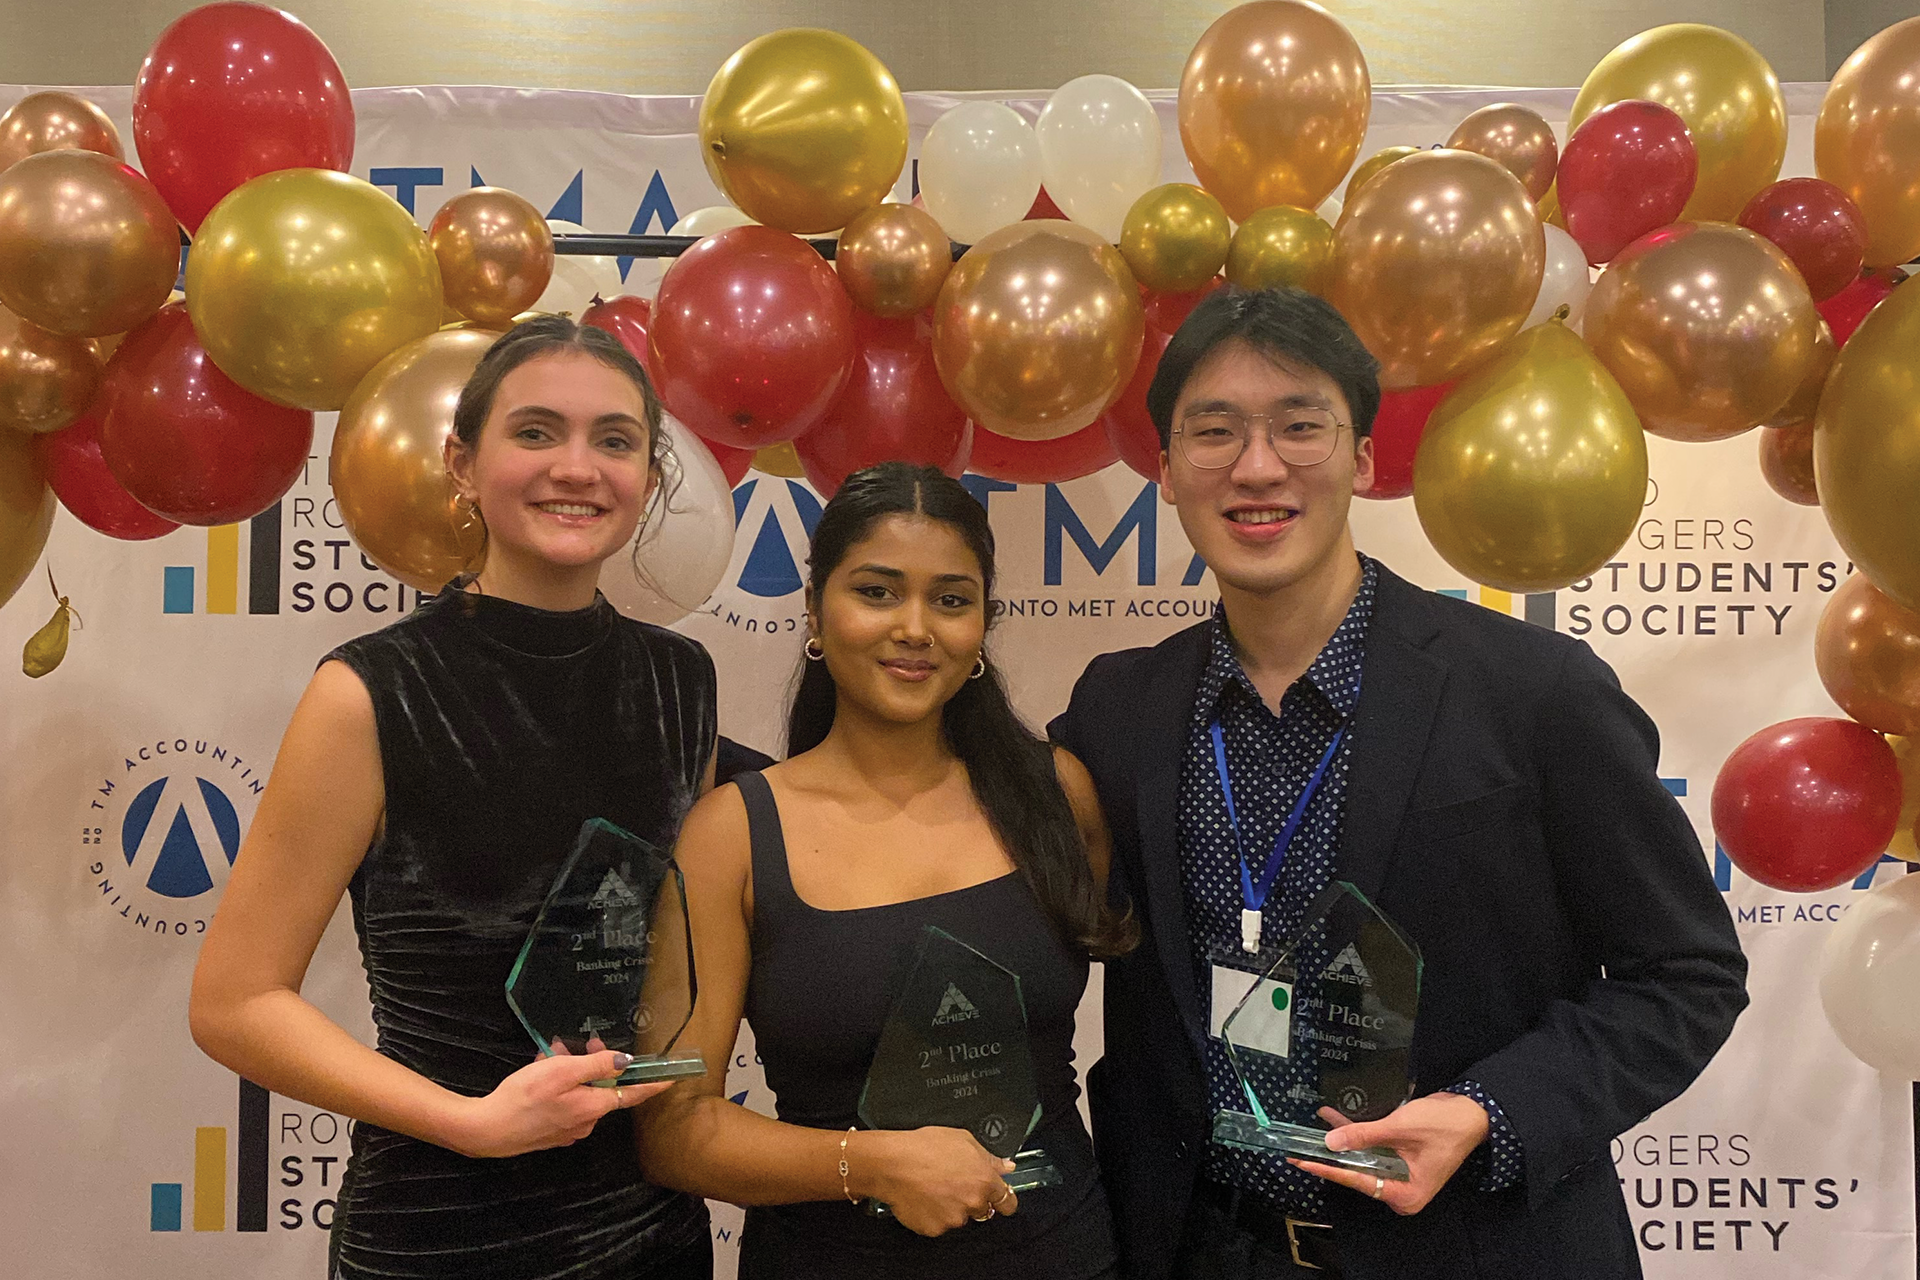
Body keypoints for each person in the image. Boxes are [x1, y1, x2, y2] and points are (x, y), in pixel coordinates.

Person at [1049, 288, 1749, 1279]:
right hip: (1205, 1244)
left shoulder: (1532, 689)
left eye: (1300, 426)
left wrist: (1487, 1110)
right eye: (1215, 431)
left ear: (1364, 459)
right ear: (1165, 468)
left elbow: (1686, 972)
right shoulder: (1121, 707)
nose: (1256, 466)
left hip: (1473, 1244)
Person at [189, 317, 717, 1280]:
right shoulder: (370, 693)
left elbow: (677, 980)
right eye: (534, 432)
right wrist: (472, 1124)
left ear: (648, 478)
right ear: (462, 465)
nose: (577, 467)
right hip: (442, 1230)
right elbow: (234, 1001)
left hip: (649, 1233)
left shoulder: (683, 681)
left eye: (614, 440)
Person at [640, 462, 1130, 1280]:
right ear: (816, 615)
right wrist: (868, 1165)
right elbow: (674, 1130)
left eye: (950, 599)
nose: (915, 627)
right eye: (876, 591)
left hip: (1064, 1255)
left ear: (981, 625)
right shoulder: (732, 834)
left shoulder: (1058, 794)